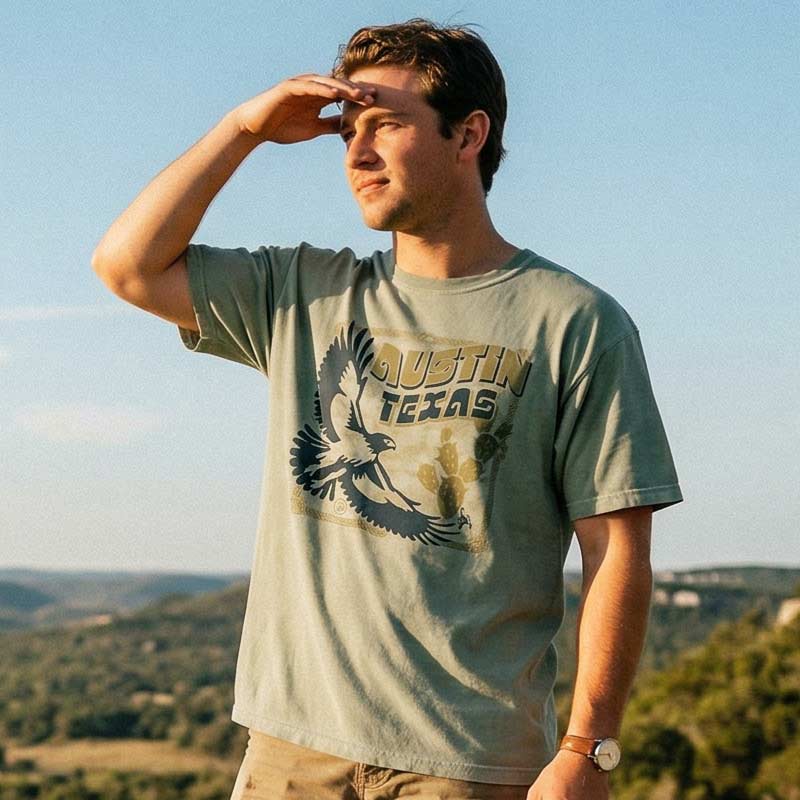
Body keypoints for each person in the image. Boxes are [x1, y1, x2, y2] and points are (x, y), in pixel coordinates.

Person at [92, 18, 683, 800]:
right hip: (293, 754)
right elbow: (127, 266)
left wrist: (588, 748)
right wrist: (244, 130)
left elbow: (616, 550)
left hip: (470, 762)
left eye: (386, 126)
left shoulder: (574, 322)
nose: (357, 154)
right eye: (348, 133)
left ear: (468, 134)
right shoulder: (305, 293)